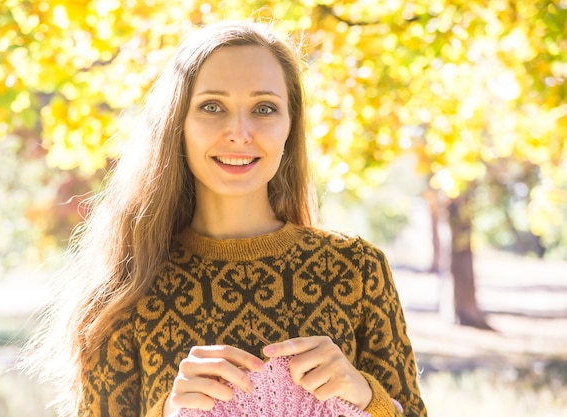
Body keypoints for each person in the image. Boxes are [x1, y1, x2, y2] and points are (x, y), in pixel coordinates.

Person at [22, 20, 427, 417]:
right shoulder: (124, 289)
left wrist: (367, 397)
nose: (239, 132)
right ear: (177, 123)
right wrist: (167, 412)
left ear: (290, 126)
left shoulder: (354, 269)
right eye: (212, 106)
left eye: (264, 108)